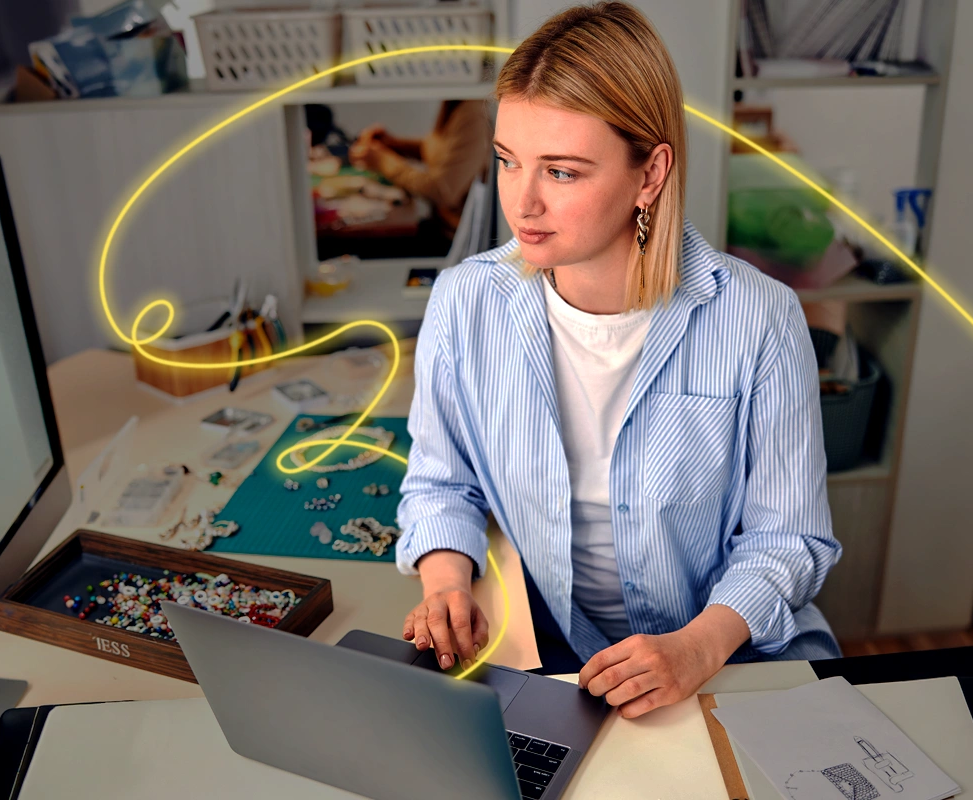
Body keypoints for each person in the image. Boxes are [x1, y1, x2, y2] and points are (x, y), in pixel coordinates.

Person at [395, 1, 843, 720]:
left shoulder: (758, 318)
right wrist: (446, 581)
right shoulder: (463, 301)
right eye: (508, 161)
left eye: (563, 172)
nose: (523, 201)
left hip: (728, 662)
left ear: (650, 173)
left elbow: (788, 540)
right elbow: (441, 483)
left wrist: (696, 648)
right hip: (558, 662)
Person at [348, 99, 493, 246]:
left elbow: (442, 192)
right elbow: (445, 153)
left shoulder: (473, 115)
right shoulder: (454, 102)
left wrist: (382, 161)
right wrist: (395, 145)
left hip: (457, 236)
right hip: (441, 222)